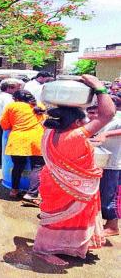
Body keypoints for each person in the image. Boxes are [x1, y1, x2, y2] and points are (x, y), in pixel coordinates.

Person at [33, 75, 116, 266]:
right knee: (60, 219)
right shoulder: (76, 136)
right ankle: (43, 250)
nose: (86, 122)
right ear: (76, 122)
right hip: (68, 187)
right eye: (84, 120)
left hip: (55, 182)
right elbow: (107, 114)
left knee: (65, 218)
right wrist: (98, 87)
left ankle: (68, 247)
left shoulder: (49, 132)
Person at [0, 90, 46, 202]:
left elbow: (4, 125)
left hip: (18, 139)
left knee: (18, 166)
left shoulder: (12, 106)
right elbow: (45, 121)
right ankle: (32, 194)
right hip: (36, 139)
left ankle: (14, 190)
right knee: (37, 167)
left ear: (16, 98)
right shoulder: (40, 106)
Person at [87, 105, 121, 236]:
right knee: (99, 195)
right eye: (89, 112)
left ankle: (113, 227)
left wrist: (107, 134)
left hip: (113, 165)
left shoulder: (116, 121)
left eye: (94, 113)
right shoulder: (94, 122)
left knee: (109, 196)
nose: (91, 116)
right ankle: (102, 224)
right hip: (98, 163)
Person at [0, 79, 23, 165]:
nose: (18, 90)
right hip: (5, 123)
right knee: (5, 142)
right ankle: (4, 161)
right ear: (9, 88)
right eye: (17, 88)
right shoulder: (8, 98)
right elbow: (9, 112)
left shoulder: (0, 95)